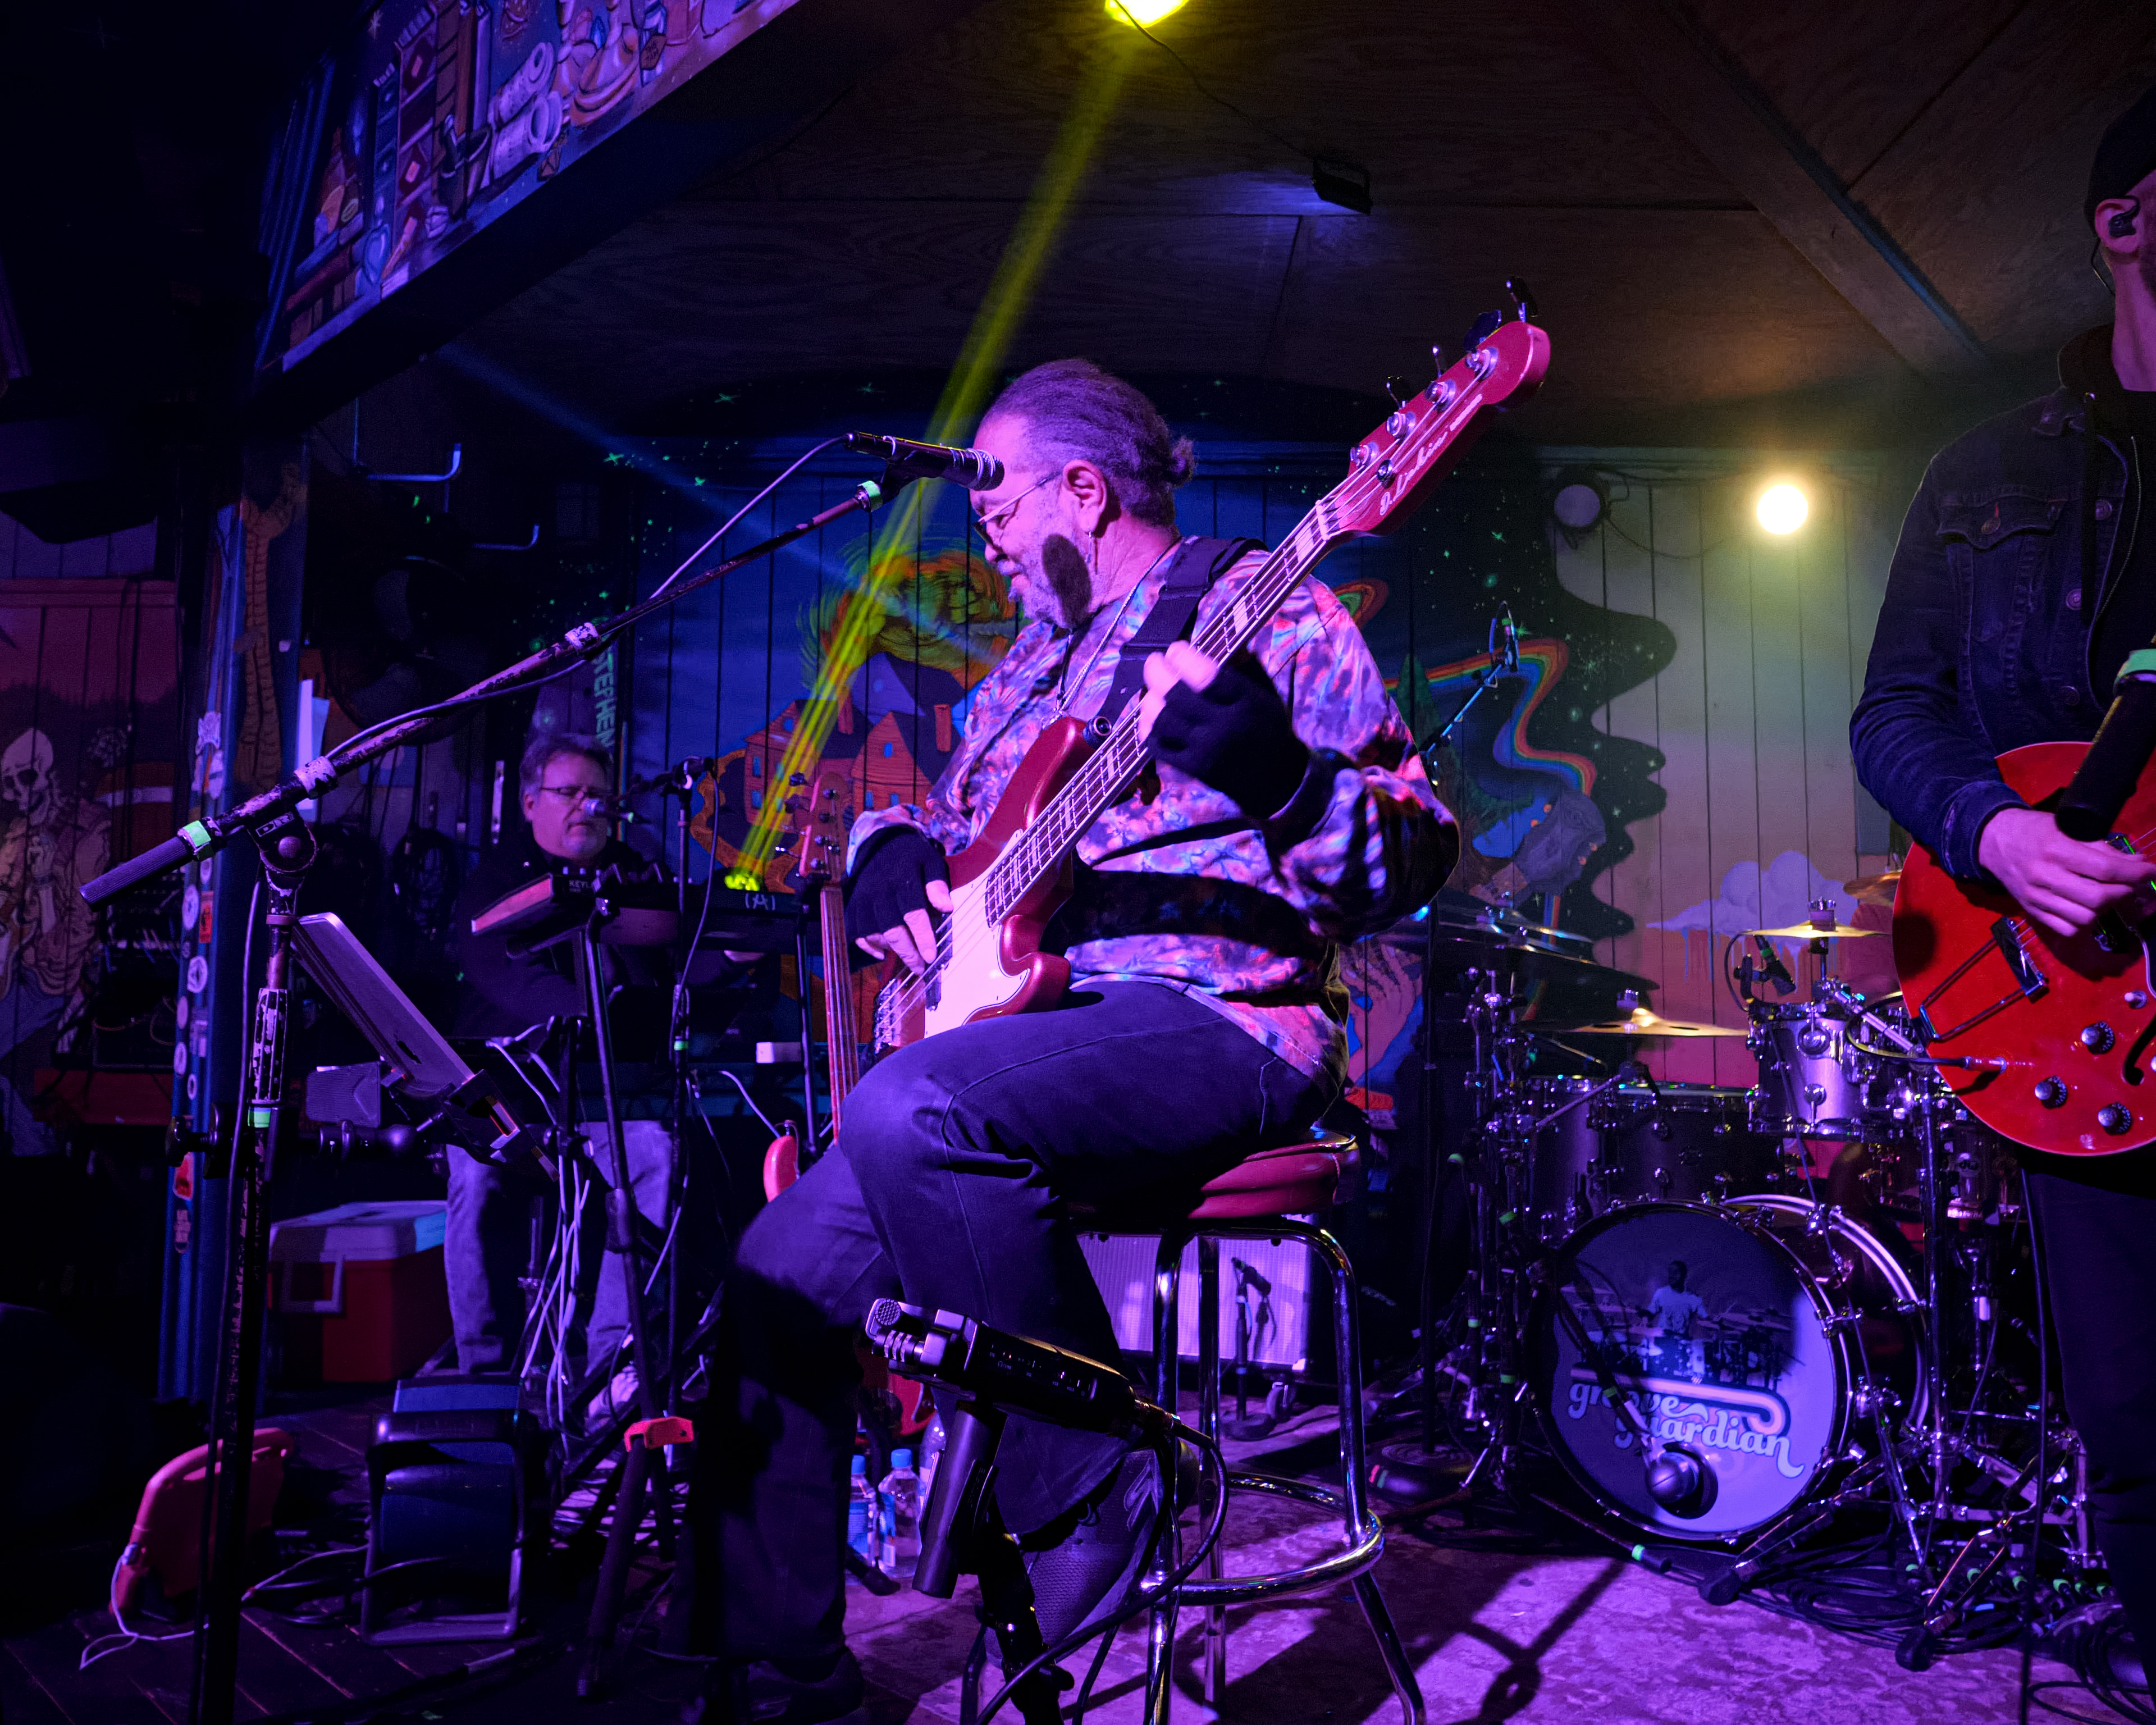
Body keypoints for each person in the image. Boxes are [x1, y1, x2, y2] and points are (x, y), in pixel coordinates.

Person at [690, 359, 1455, 1716]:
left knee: (914, 1106)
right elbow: (947, 829)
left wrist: (1280, 775)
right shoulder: (1027, 670)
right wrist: (888, 854)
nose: (982, 534)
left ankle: (1096, 1482)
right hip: (1030, 1033)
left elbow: (1411, 857)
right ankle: (782, 1668)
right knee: (774, 1275)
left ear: (1084, 491)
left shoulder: (1262, 607)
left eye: (996, 501)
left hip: (1220, 1019)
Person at [1851, 86, 2156, 1685]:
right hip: (2085, 1009)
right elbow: (1893, 712)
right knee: (2134, 1414)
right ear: (2126, 221)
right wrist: (2000, 837)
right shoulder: (1985, 476)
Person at [441, 733, 675, 1418]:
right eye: (570, 793)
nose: (587, 807)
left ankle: (610, 1370)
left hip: (602, 1092)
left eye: (598, 795)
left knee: (654, 1153)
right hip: (501, 1088)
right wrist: (592, 1009)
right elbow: (506, 976)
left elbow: (679, 957)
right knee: (474, 1178)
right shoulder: (493, 882)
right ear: (530, 802)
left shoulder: (632, 874)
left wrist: (738, 950)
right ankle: (484, 1377)